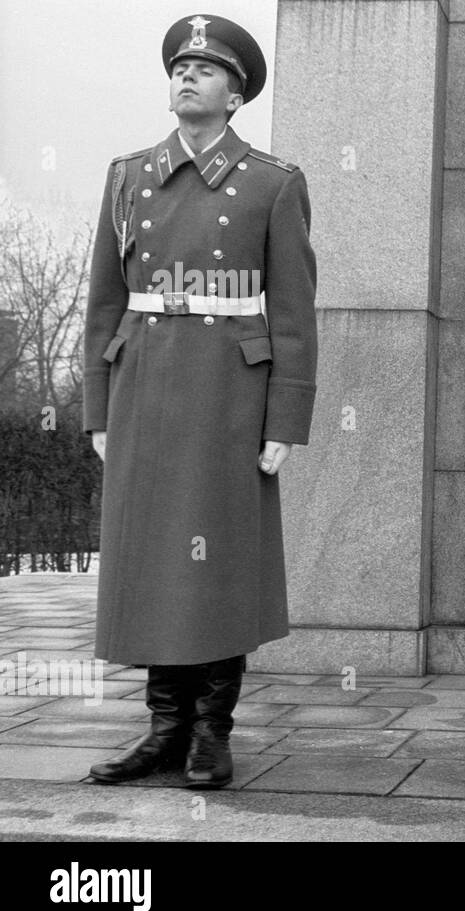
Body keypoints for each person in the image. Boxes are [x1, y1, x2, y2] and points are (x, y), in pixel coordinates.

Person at [82, 14, 317, 789]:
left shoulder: (273, 183)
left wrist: (285, 419)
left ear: (236, 92)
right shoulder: (128, 176)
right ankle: (163, 729)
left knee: (217, 561)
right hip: (146, 385)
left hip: (228, 394)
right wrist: (98, 408)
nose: (187, 77)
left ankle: (212, 732)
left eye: (206, 69)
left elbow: (292, 312)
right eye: (180, 66)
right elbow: (104, 302)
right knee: (151, 559)